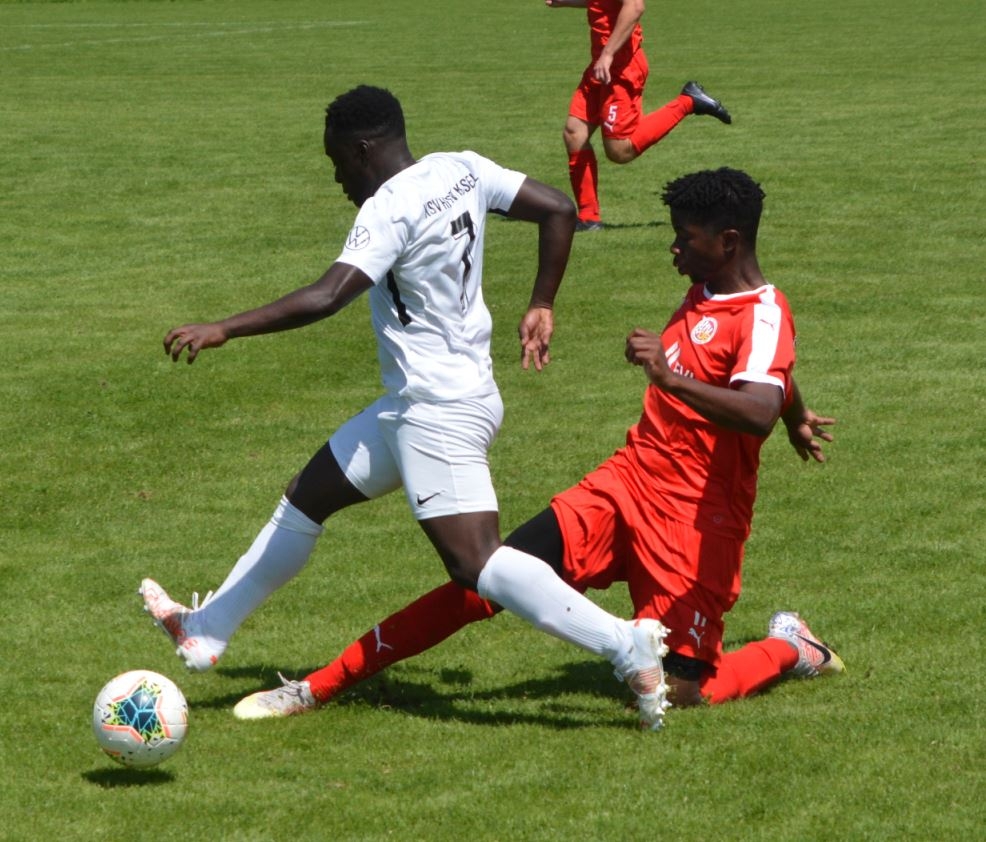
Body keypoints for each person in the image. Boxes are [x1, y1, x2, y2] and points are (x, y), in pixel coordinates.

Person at [141, 84, 675, 730]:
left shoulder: (388, 207)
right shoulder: (461, 168)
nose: (339, 180)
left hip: (435, 411)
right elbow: (559, 209)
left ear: (365, 149)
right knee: (308, 494)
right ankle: (205, 631)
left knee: (475, 562)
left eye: (339, 164)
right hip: (438, 397)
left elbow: (329, 294)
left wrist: (224, 327)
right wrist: (542, 301)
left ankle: (627, 646)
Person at [232, 167, 845, 722]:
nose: (674, 249)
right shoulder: (709, 288)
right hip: (626, 484)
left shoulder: (762, 312)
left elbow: (758, 404)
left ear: (729, 242)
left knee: (688, 693)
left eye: (686, 238)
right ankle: (319, 686)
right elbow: (773, 386)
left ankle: (791, 646)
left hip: (694, 522)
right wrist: (796, 413)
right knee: (482, 581)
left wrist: (676, 380)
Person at [546, 0, 732, 231]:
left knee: (619, 150)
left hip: (621, 68)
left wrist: (608, 53)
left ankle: (689, 101)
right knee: (575, 132)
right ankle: (589, 218)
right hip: (601, 67)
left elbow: (635, 6)